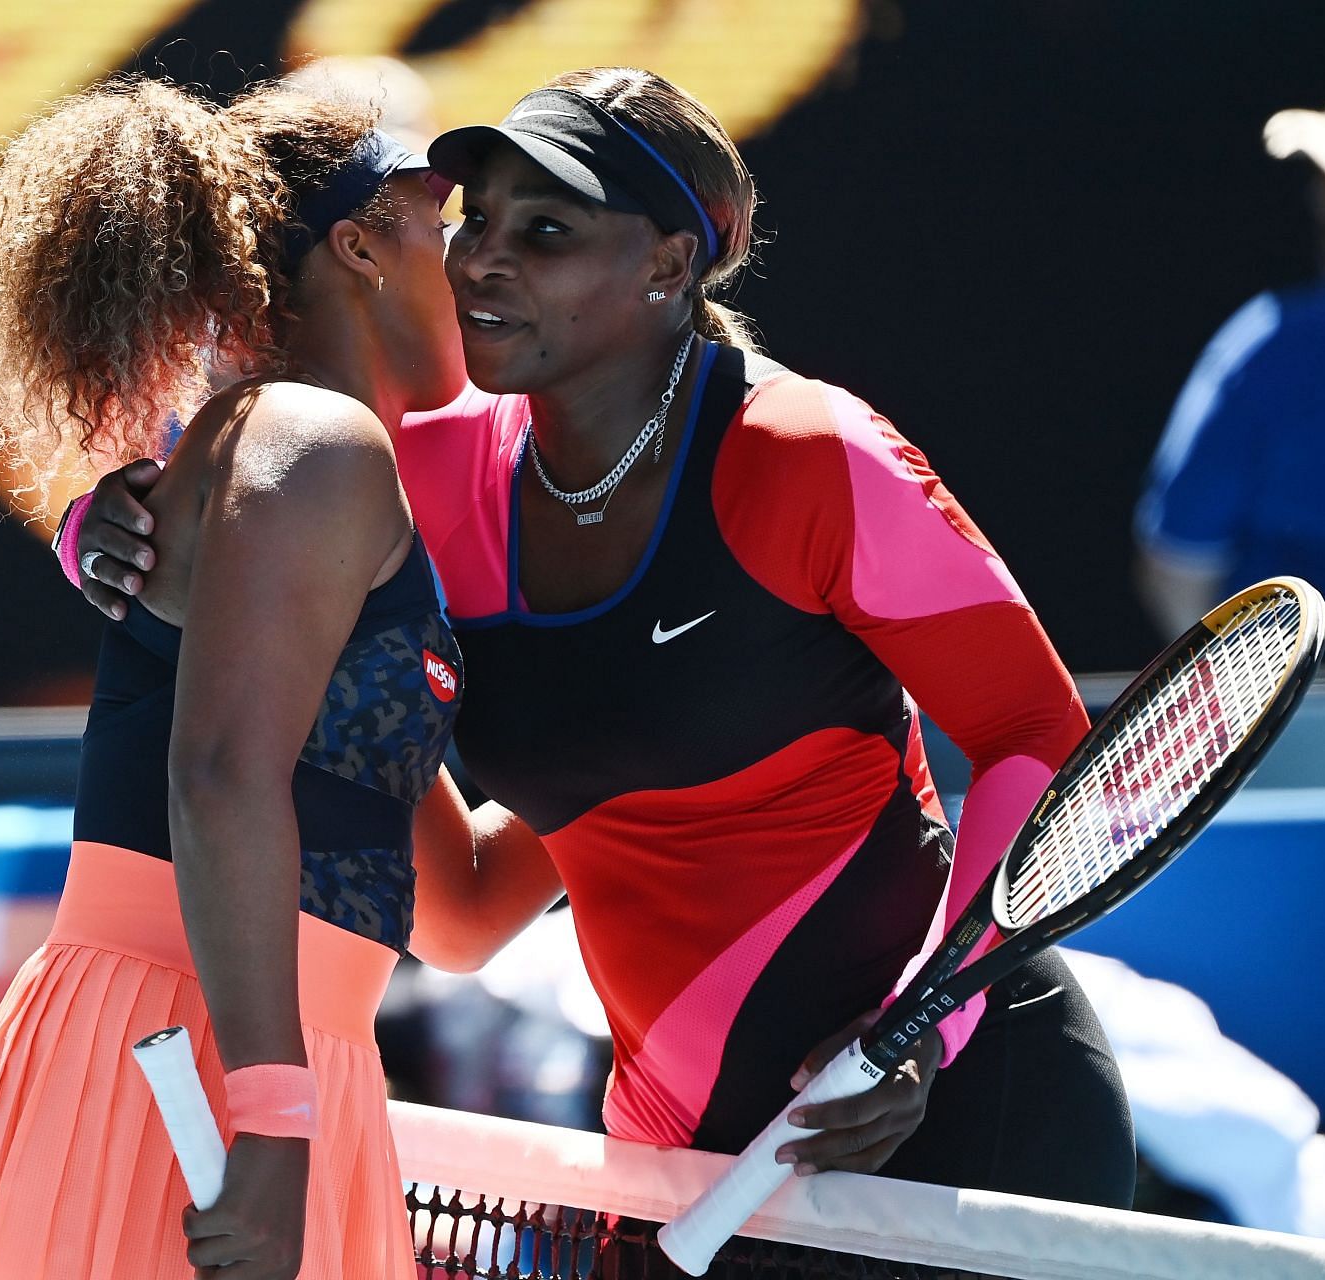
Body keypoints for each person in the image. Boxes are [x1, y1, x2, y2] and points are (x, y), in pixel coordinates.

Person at [69, 66, 1136, 1239]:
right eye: (475, 221)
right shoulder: (417, 474)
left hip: (963, 1107)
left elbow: (1037, 733)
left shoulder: (809, 453)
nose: (481, 258)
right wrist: (105, 528)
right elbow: (461, 908)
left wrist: (928, 1020)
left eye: (547, 231)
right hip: (681, 1159)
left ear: (669, 265)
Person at [0, 76, 467, 1279]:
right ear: (361, 246)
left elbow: (455, 903)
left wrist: (687, 766)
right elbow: (214, 775)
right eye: (445, 217)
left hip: (266, 1059)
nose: (476, 257)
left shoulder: (292, 454)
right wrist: (270, 1114)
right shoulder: (314, 442)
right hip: (216, 1075)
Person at [1136, 28, 1325, 662]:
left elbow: (1175, 568)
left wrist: (1266, 712)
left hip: (1309, 740)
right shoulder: (1272, 344)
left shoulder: (1274, 347)